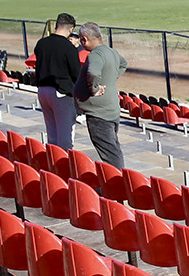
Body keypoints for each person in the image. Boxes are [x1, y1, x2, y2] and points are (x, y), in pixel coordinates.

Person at [74, 22, 127, 168]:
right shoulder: (111, 52)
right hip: (109, 110)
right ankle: (116, 180)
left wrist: (94, 88)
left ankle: (116, 184)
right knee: (112, 148)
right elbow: (123, 64)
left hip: (99, 114)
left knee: (110, 152)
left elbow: (93, 72)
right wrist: (110, 78)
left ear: (84, 39)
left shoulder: (95, 55)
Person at [31, 13, 82, 149]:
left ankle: (52, 162)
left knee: (52, 132)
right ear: (71, 29)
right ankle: (63, 164)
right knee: (65, 134)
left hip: (43, 90)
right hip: (61, 93)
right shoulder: (69, 47)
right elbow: (76, 73)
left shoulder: (42, 43)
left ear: (55, 26)